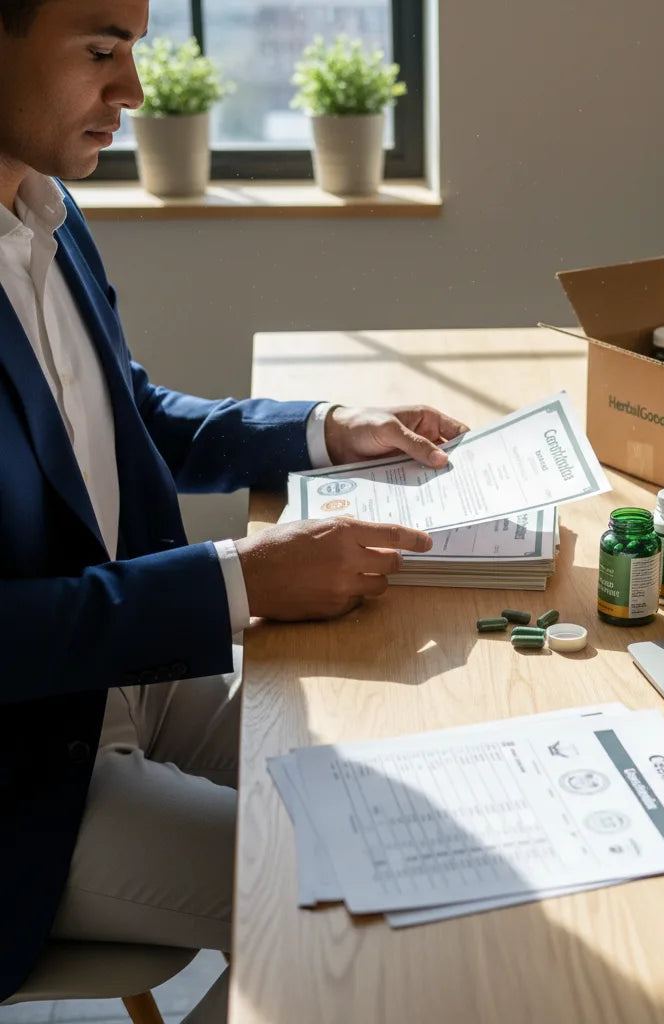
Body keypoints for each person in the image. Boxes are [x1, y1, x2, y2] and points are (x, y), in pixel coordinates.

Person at [0, 0, 468, 1019]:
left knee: (417, 816)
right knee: (358, 908)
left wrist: (326, 429)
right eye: (99, 50)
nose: (130, 89)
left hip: (129, 682)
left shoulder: (45, 212)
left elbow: (133, 414)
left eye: (135, 48)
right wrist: (239, 579)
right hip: (26, 780)